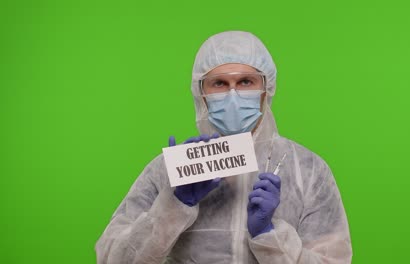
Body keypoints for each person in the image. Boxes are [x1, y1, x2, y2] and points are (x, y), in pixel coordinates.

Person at [95, 31, 352, 263]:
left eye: (245, 82)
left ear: (266, 89)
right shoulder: (168, 170)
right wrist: (173, 205)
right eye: (219, 83)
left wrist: (269, 235)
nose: (232, 94)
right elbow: (112, 259)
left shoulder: (306, 171)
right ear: (201, 93)